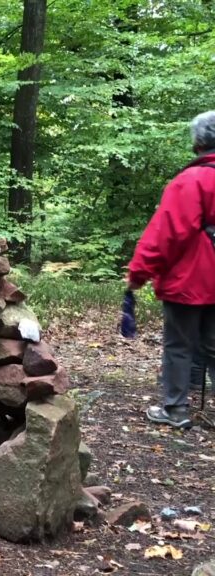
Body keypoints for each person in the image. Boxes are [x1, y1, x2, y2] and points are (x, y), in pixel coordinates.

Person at [129, 110, 215, 429]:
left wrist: (139, 272)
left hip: (189, 279)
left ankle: (176, 410)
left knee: (179, 344)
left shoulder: (190, 180)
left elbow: (167, 234)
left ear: (199, 142)